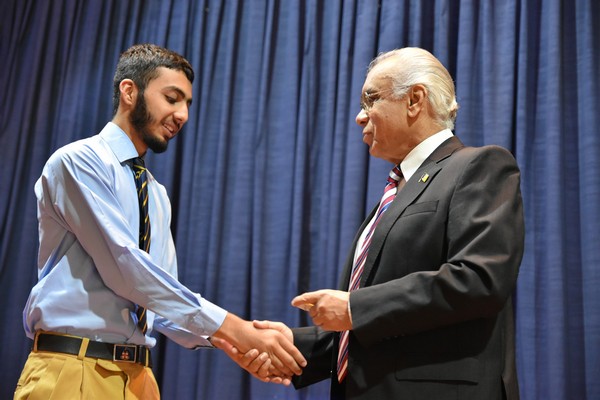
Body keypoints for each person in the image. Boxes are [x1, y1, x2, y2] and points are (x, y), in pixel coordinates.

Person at [221, 47, 524, 399]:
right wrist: (291, 347)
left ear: (415, 99)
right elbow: (384, 324)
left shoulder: (478, 166)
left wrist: (354, 308)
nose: (359, 117)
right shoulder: (396, 191)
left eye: (371, 99)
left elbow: (478, 280)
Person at [14, 43, 305, 400]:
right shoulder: (78, 161)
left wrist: (228, 342)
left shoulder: (155, 192)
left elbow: (158, 303)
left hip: (140, 378)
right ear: (129, 91)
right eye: (172, 98)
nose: (182, 115)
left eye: (187, 104)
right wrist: (237, 329)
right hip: (73, 369)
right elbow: (126, 268)